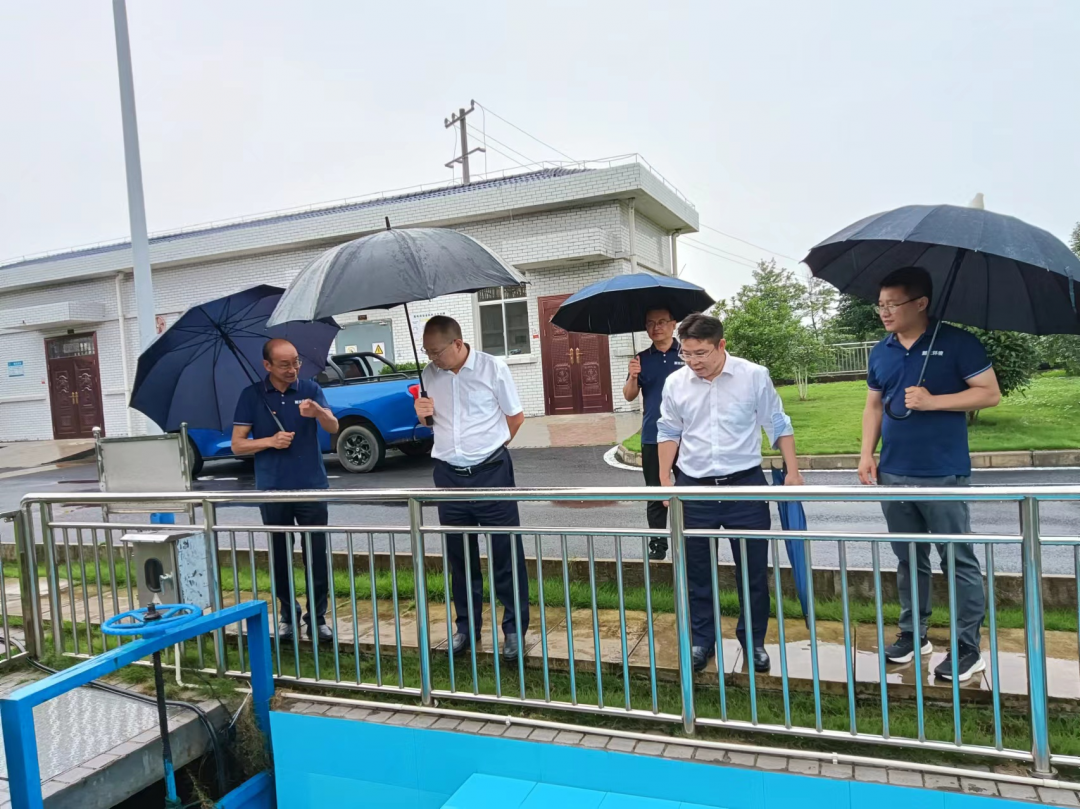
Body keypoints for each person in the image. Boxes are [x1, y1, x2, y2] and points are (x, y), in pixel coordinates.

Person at [858, 267, 1000, 682]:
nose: (884, 312)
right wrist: (867, 454)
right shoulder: (881, 350)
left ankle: (967, 647)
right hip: (894, 472)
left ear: (920, 303)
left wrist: (934, 401)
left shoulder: (957, 342)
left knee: (957, 559)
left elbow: (989, 393)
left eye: (893, 304)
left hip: (942, 473)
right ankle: (913, 634)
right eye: (880, 305)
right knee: (908, 558)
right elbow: (874, 405)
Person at [656, 313, 803, 673]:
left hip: (745, 487)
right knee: (696, 571)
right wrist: (664, 480)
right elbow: (668, 430)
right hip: (694, 488)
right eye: (686, 354)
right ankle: (702, 640)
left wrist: (793, 471)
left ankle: (753, 641)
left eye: (701, 353)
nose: (694, 362)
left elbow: (777, 421)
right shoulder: (676, 383)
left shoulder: (753, 376)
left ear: (721, 345)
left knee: (752, 572)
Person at [413, 316, 530, 661]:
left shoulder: (493, 368)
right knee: (460, 556)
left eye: (436, 351)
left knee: (505, 554)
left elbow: (515, 417)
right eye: (427, 352)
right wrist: (421, 414)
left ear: (457, 344)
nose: (432, 358)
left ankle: (513, 630)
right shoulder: (429, 375)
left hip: (492, 472)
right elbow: (431, 423)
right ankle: (465, 627)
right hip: (448, 477)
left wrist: (491, 449)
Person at [232, 338, 339, 642]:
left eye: (296, 362)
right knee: (279, 553)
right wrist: (270, 441)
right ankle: (287, 615)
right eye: (284, 364)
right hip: (273, 487)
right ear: (267, 365)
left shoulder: (310, 389)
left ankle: (317, 618)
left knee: (316, 553)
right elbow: (237, 444)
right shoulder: (251, 395)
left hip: (311, 485)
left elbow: (333, 427)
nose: (292, 369)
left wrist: (318, 412)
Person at [622, 307, 684, 560]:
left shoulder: (687, 353)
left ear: (673, 324)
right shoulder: (641, 359)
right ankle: (658, 544)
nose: (656, 327)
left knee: (690, 489)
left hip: (688, 435)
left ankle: (691, 539)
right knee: (656, 491)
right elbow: (629, 396)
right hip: (653, 436)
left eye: (661, 322)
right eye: (650, 323)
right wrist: (633, 376)